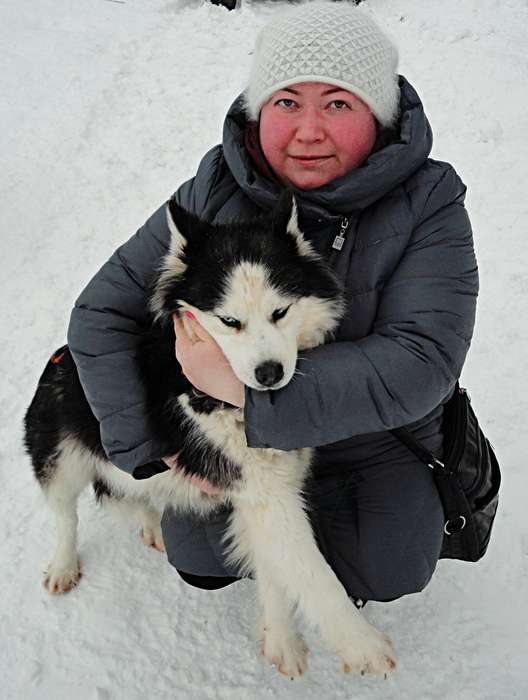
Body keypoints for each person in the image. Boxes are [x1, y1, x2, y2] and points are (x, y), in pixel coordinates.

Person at [67, 2, 478, 603]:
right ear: (261, 111)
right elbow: (100, 314)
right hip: (232, 436)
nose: (308, 131)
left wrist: (247, 392)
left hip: (374, 434)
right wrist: (146, 450)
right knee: (200, 556)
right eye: (287, 102)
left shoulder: (429, 199)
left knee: (390, 564)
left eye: (337, 103)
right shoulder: (216, 188)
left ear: (378, 115)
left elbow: (422, 362)